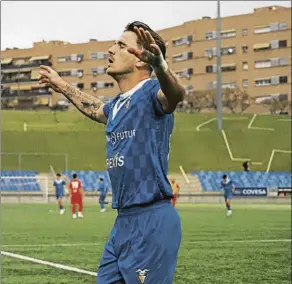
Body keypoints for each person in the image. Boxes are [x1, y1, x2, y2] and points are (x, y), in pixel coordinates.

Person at [39, 21, 185, 283]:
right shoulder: (118, 105)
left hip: (151, 219)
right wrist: (61, 85)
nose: (110, 50)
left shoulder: (152, 93)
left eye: (120, 45)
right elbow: (95, 108)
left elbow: (175, 95)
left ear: (142, 60)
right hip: (123, 222)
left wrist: (161, 66)